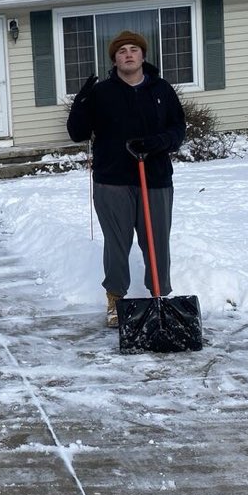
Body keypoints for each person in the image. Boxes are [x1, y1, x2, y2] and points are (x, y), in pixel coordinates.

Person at [66, 31, 186, 327]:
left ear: (143, 56)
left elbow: (178, 130)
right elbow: (78, 133)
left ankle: (160, 297)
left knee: (157, 241)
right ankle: (116, 299)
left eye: (134, 49)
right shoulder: (102, 92)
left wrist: (157, 143)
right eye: (122, 51)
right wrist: (81, 101)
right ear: (114, 59)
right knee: (117, 243)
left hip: (155, 178)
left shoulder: (162, 90)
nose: (128, 54)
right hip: (112, 180)